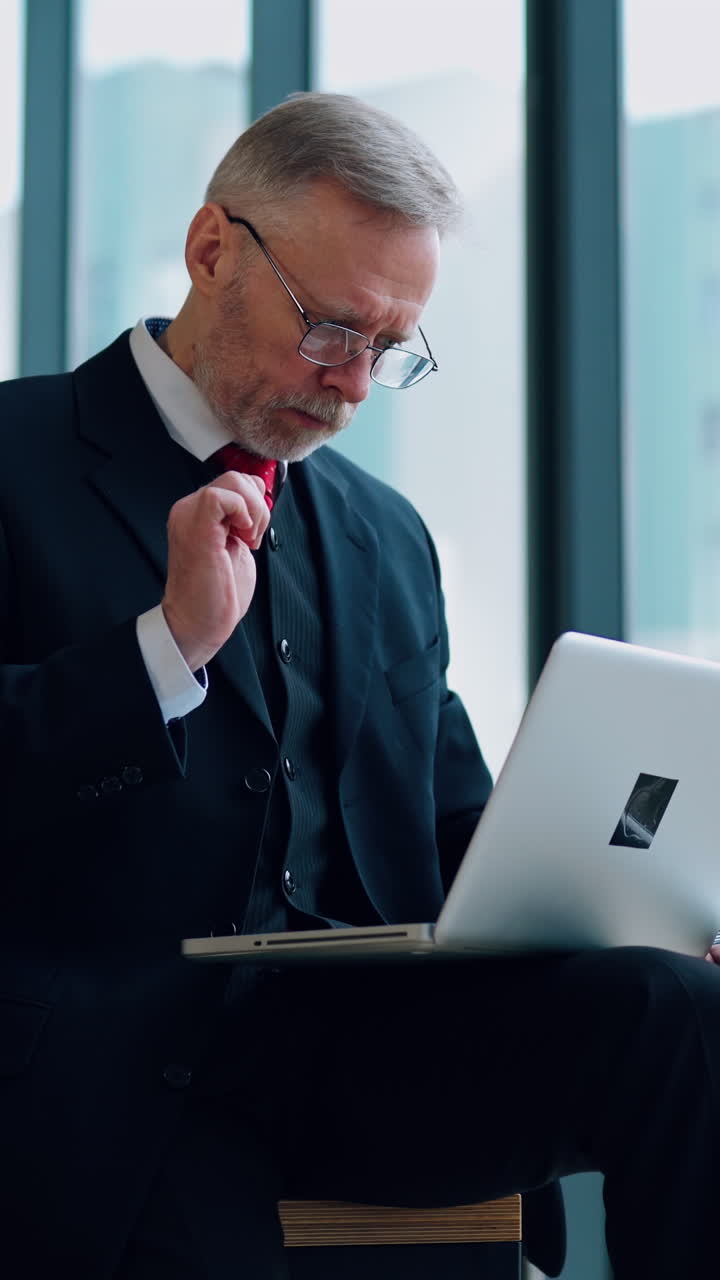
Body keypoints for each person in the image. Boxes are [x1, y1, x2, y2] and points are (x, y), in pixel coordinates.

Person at [0, 91, 718, 1280]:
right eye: (332, 330)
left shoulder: (385, 535)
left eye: (391, 349)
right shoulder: (18, 458)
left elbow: (450, 831)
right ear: (211, 248)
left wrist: (644, 902)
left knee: (680, 1019)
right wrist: (163, 650)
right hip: (107, 1063)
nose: (353, 386)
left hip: (357, 1053)